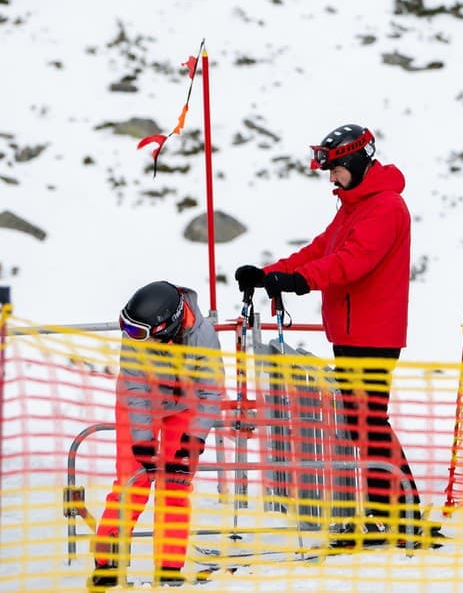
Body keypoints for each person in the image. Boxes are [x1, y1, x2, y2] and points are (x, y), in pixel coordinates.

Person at [235, 123, 431, 550]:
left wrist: (297, 282)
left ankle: (400, 517)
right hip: (350, 331)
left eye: (336, 168)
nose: (331, 178)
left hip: (373, 336)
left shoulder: (385, 208)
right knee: (366, 425)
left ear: (357, 161)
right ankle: (396, 515)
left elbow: (350, 263)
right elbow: (321, 249)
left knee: (369, 425)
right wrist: (269, 274)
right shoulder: (353, 206)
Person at [89, 282, 222, 591]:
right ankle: (107, 563)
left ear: (167, 325)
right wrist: (143, 440)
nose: (131, 336)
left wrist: (193, 440)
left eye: (138, 332)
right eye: (129, 330)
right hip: (140, 402)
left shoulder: (203, 337)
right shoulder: (136, 333)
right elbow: (135, 390)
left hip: (184, 406)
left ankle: (169, 569)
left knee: (175, 485)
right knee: (133, 483)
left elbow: (210, 393)